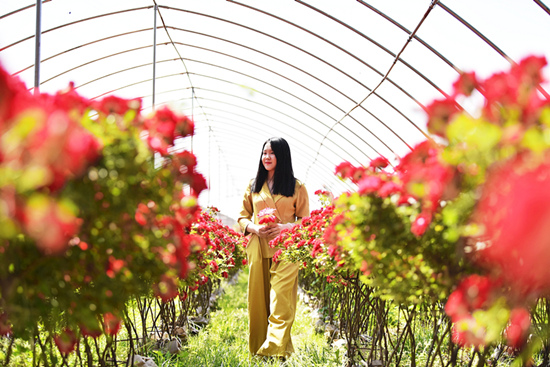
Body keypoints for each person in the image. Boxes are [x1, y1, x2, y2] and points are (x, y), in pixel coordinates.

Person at [237, 137, 309, 358]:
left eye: (272, 153)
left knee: (280, 300)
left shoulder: (297, 187)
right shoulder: (253, 185)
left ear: (282, 156)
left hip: (286, 249)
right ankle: (266, 349)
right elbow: (242, 217)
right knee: (258, 302)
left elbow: (306, 222)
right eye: (264, 153)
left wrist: (286, 227)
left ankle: (271, 350)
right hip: (258, 247)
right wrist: (255, 228)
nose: (266, 157)